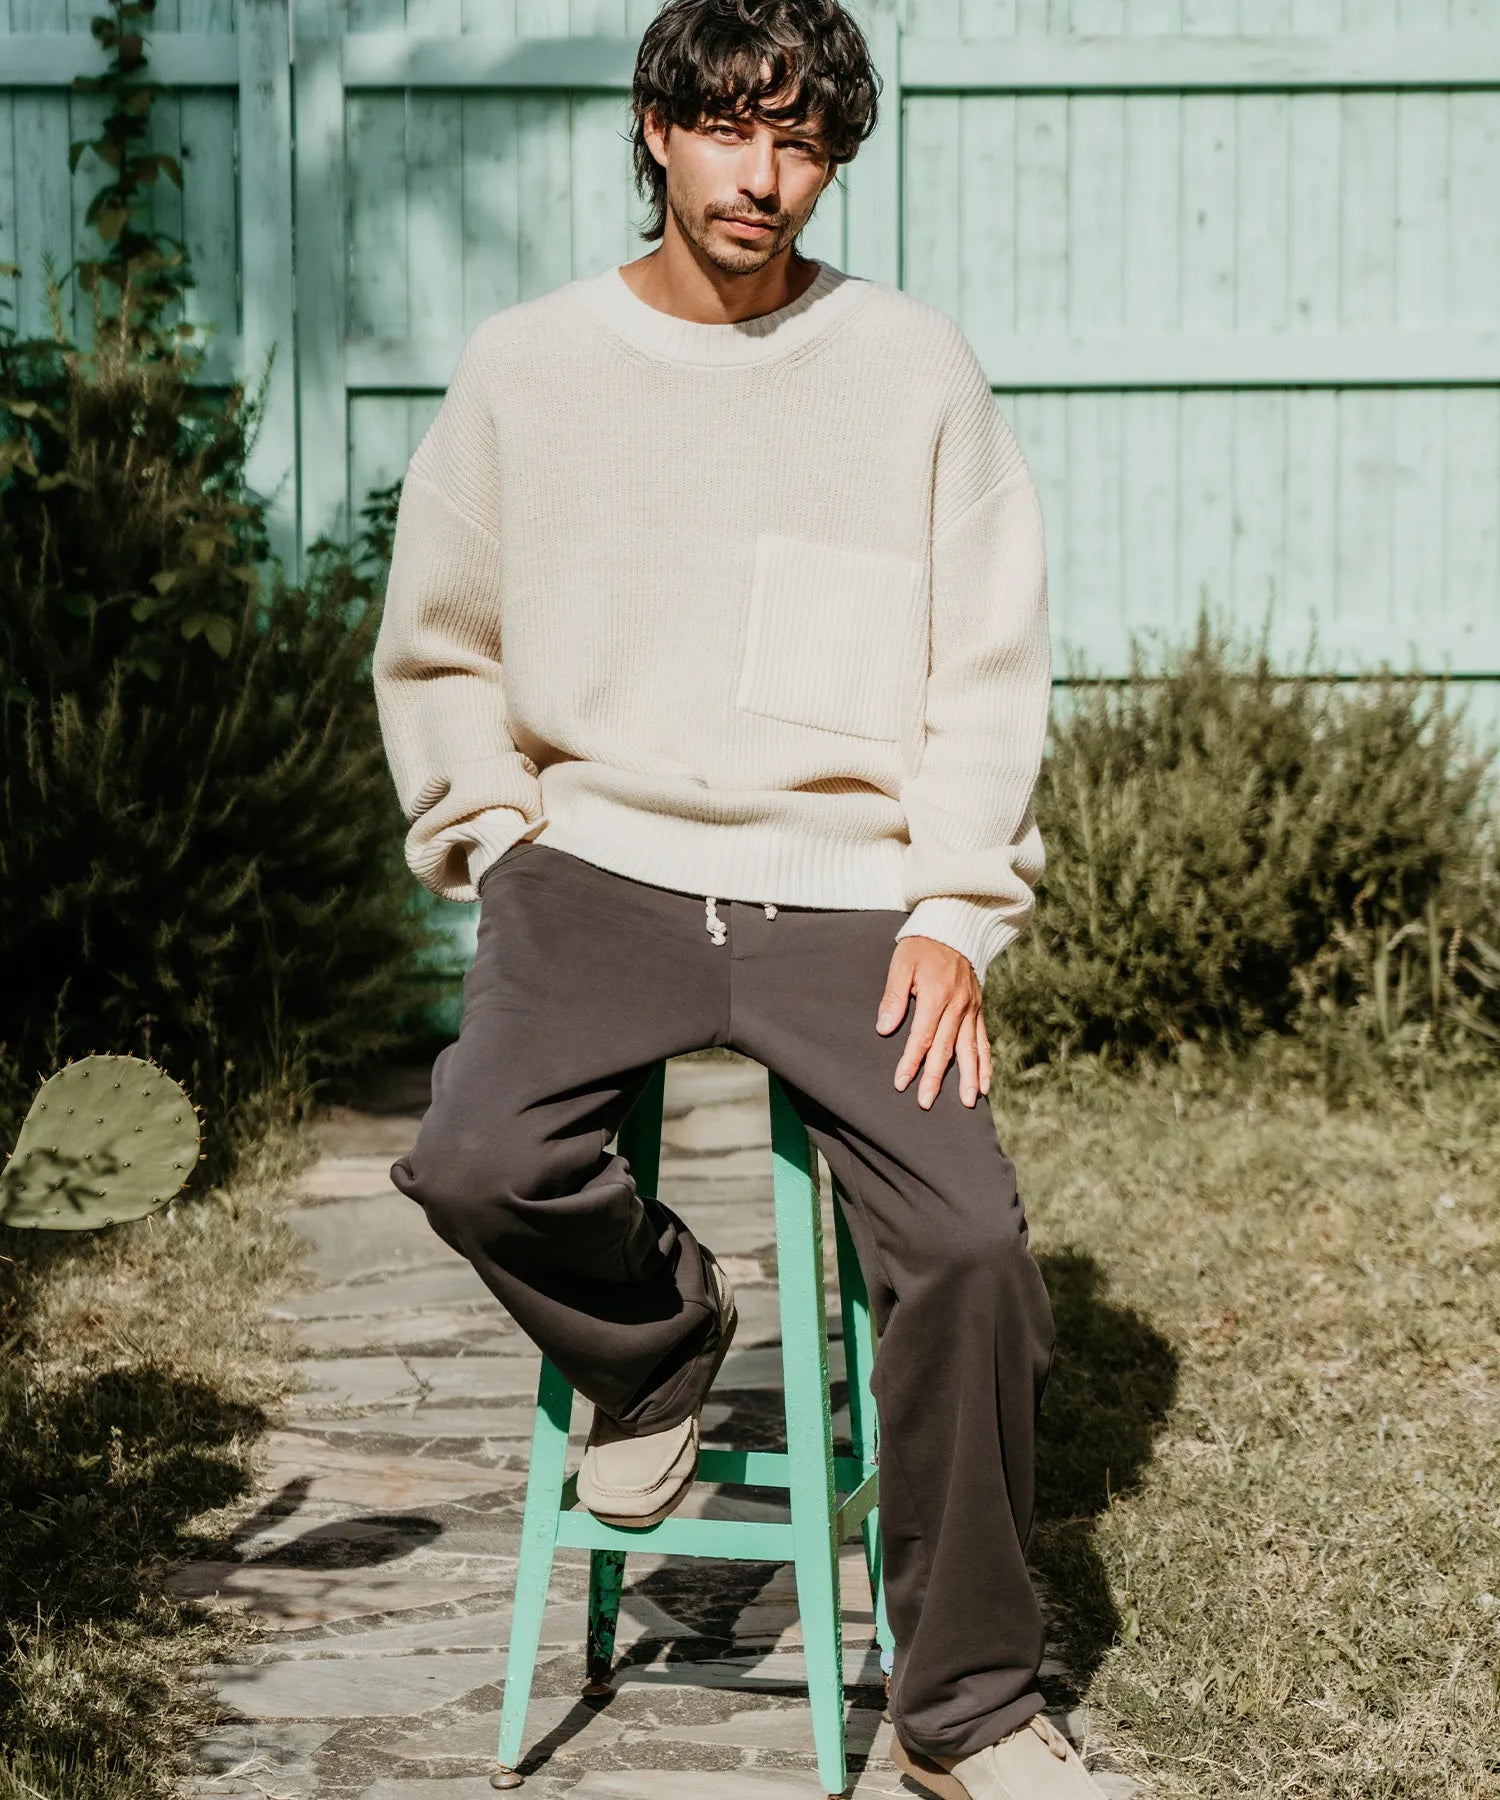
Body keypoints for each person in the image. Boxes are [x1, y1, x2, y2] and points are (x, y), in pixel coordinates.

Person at [372, 1, 1104, 1794]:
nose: (760, 175)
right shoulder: (528, 369)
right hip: (596, 863)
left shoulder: (910, 368)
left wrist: (953, 909)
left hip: (850, 894)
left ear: (833, 158)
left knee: (972, 1250)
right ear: (657, 127)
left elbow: (986, 670)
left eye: (801, 141)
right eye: (726, 128)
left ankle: (966, 1710)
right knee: (473, 1159)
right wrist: (496, 832)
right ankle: (660, 1344)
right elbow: (441, 645)